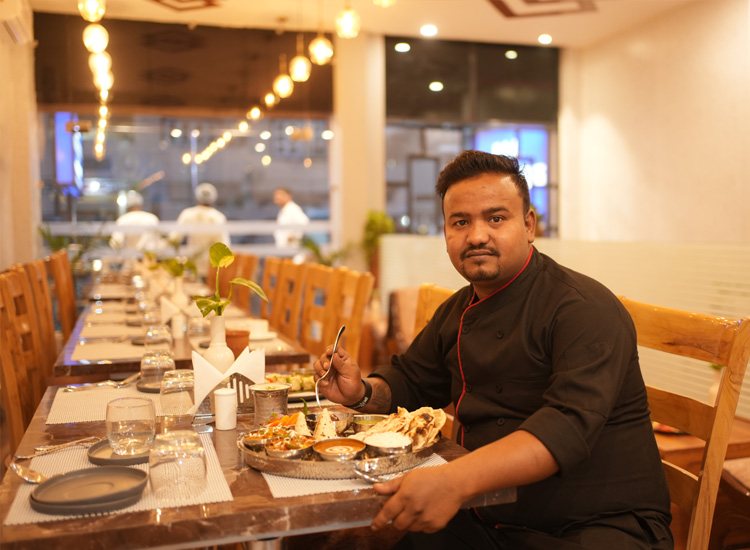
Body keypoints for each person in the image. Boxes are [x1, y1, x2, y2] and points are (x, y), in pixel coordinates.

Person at [314, 151, 673, 549]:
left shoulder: (582, 308)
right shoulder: (459, 307)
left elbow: (566, 427)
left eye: (496, 218)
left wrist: (452, 480)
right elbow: (413, 380)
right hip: (489, 515)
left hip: (597, 525)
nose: (476, 236)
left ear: (529, 225)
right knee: (333, 539)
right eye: (460, 222)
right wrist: (362, 391)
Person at [171, 182, 230, 277]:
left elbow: (174, 239)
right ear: (214, 198)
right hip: (212, 269)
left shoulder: (188, 214)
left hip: (192, 267)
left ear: (197, 197)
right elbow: (224, 246)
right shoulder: (218, 217)